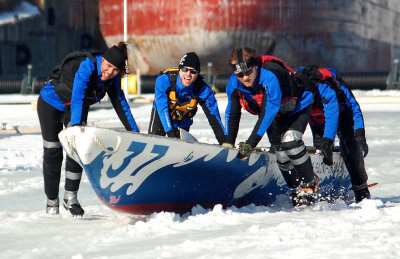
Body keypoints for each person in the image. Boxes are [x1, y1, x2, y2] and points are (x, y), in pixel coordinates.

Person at [37, 42, 139, 216]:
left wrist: (136, 134)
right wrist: (77, 127)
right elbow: (77, 96)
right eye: (108, 66)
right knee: (53, 151)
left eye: (115, 70)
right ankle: (51, 202)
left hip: (74, 108)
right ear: (103, 60)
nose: (109, 72)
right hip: (51, 104)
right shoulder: (87, 66)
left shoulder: (113, 78)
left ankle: (70, 197)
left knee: (77, 150)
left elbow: (121, 104)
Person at [223, 47, 317, 206]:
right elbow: (233, 113)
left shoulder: (270, 75)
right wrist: (228, 142)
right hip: (275, 113)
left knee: (291, 144)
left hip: (297, 107)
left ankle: (309, 184)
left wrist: (251, 143)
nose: (245, 77)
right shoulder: (233, 83)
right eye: (239, 74)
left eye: (248, 72)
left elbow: (268, 111)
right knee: (280, 152)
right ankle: (295, 188)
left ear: (255, 67)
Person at [296, 66, 371, 203]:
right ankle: (320, 186)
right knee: (320, 152)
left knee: (348, 146)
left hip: (342, 115)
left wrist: (360, 136)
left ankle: (361, 188)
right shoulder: (295, 87)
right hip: (317, 120)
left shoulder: (326, 87)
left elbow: (337, 115)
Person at [148, 52, 225, 143]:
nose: (188, 74)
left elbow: (214, 119)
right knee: (154, 140)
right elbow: (162, 108)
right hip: (162, 115)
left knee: (179, 146)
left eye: (193, 71)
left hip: (183, 118)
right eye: (184, 69)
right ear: (179, 70)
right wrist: (171, 133)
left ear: (197, 74)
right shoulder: (164, 80)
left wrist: (224, 142)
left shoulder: (203, 90)